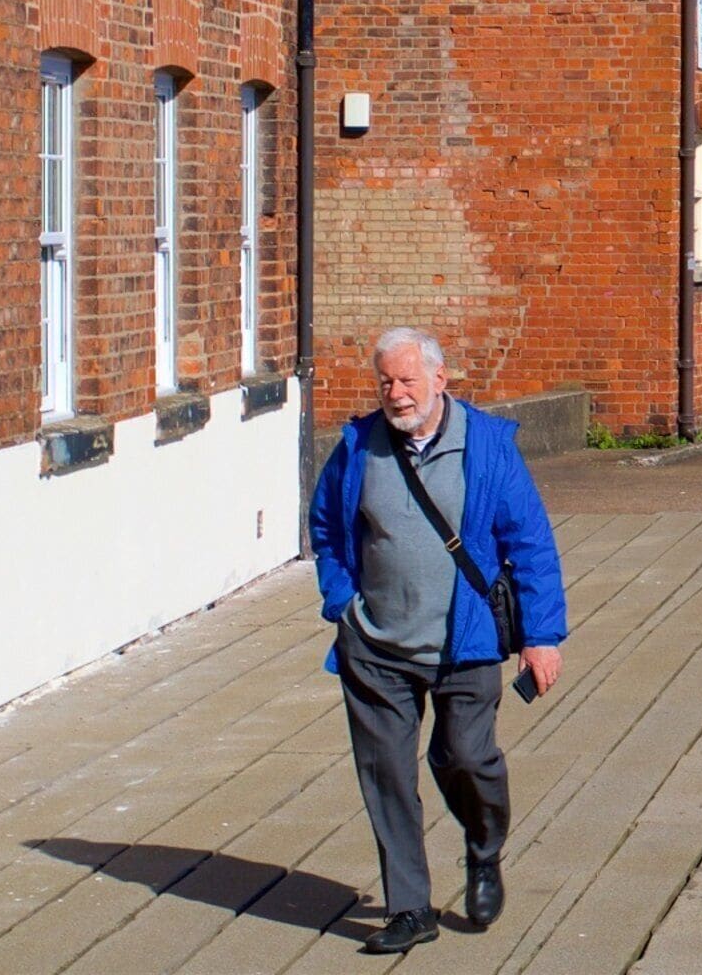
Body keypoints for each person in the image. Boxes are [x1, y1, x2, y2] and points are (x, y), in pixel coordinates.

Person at [309, 327, 569, 954]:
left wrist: (542, 636)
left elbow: (530, 544)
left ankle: (483, 851)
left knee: (465, 759)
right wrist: (343, 603)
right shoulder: (357, 447)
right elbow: (325, 529)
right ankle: (409, 908)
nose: (396, 395)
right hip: (377, 647)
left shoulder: (485, 447)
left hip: (467, 641)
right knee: (387, 775)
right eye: (386, 382)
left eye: (407, 381)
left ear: (439, 380)